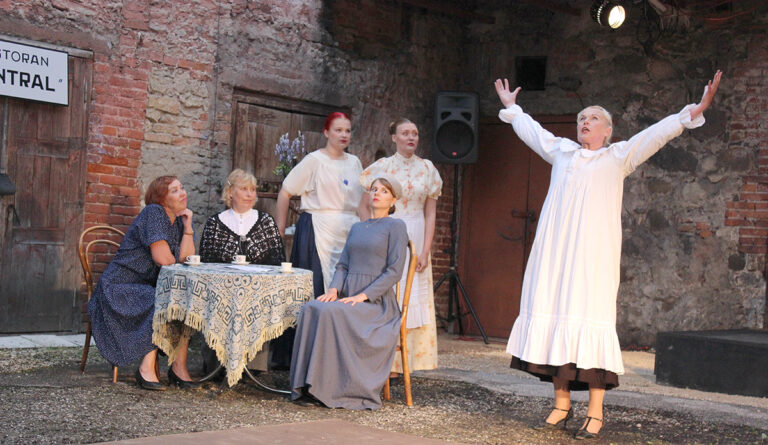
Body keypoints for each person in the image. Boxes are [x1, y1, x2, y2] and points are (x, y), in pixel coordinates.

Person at [493, 70, 722, 439]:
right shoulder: (562, 151)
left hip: (592, 257)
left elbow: (655, 134)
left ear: (607, 130)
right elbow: (533, 132)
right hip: (556, 253)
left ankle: (595, 412)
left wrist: (692, 112)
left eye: (593, 118)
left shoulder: (618, 156)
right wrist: (512, 108)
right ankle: (561, 405)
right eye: (581, 118)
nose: (585, 121)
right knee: (555, 314)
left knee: (590, 321)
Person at [289, 177, 409, 410]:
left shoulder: (396, 226)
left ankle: (325, 388)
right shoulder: (357, 227)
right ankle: (304, 386)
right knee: (311, 307)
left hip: (376, 305)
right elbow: (343, 265)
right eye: (374, 189)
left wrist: (363, 296)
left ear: (394, 200)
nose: (377, 193)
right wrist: (334, 289)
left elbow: (394, 272)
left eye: (384, 191)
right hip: (348, 298)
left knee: (330, 313)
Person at [87, 176, 198, 390]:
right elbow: (164, 260)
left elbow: (186, 259)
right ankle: (146, 369)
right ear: (161, 198)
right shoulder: (153, 213)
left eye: (182, 188)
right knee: (160, 300)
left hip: (143, 286)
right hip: (118, 288)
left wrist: (188, 227)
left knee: (184, 299)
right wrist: (176, 259)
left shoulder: (176, 221)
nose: (183, 193)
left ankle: (178, 368)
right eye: (174, 190)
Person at [271, 112, 364, 368]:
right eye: (338, 130)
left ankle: (338, 356)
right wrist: (280, 229)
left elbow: (362, 202)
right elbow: (285, 192)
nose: (343, 135)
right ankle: (306, 358)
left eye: (347, 130)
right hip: (318, 230)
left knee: (346, 289)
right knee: (315, 290)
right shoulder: (314, 160)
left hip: (348, 231)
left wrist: (368, 230)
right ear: (326, 132)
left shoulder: (355, 163)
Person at [359, 118, 442, 376]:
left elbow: (430, 213)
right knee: (388, 292)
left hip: (415, 232)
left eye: (415, 133)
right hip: (387, 231)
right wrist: (371, 235)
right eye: (405, 133)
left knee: (411, 295)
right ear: (394, 137)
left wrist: (425, 250)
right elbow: (363, 206)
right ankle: (382, 360)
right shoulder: (382, 167)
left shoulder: (427, 169)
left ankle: (406, 360)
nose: (411, 137)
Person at [198, 169, 286, 377]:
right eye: (244, 189)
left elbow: (277, 262)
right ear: (230, 192)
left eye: (253, 190)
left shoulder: (266, 222)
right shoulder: (215, 223)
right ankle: (218, 363)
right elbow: (207, 264)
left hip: (257, 293)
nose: (250, 194)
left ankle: (253, 365)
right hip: (223, 292)